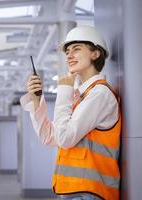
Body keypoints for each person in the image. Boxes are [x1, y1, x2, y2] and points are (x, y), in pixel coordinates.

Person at [20, 26, 121, 200]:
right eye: (67, 51)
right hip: (76, 190)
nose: (69, 55)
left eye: (76, 49)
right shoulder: (82, 95)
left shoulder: (100, 94)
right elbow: (50, 137)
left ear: (95, 54)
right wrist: (36, 101)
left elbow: (65, 138)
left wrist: (64, 90)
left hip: (90, 192)